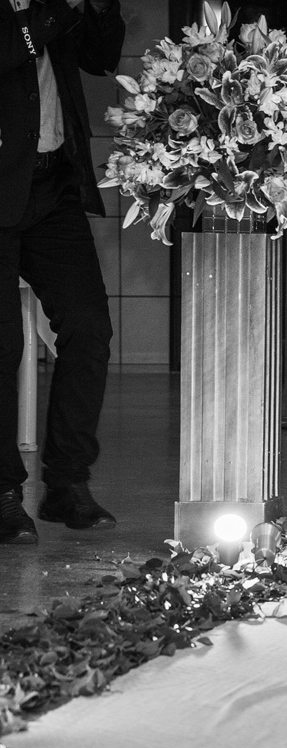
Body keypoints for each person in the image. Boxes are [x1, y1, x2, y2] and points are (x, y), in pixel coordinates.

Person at [0, 0, 125, 545]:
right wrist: (57, 8)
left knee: (89, 327)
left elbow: (101, 56)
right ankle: (3, 491)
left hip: (53, 187)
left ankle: (67, 482)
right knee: (3, 345)